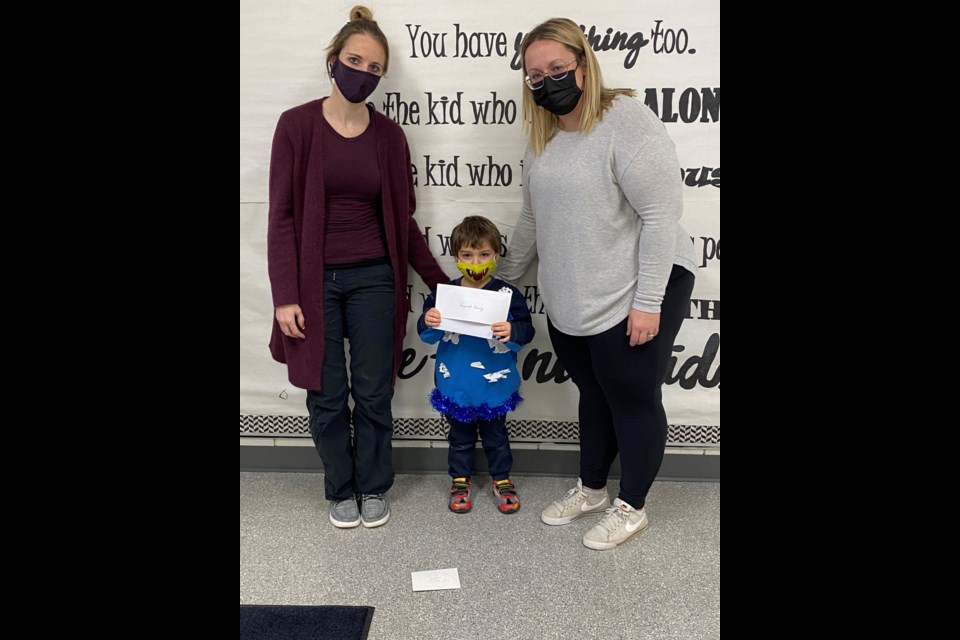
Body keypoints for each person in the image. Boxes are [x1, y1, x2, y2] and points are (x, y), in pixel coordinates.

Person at [497, 18, 698, 550]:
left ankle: (631, 505)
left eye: (557, 69)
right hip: (576, 293)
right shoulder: (541, 139)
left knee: (631, 395)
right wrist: (497, 284)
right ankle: (591, 489)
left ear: (582, 67)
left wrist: (648, 302)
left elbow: (660, 213)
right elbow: (532, 221)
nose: (546, 81)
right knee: (595, 392)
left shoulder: (624, 119)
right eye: (535, 75)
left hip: (640, 284)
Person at [267, 6, 447, 530]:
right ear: (332, 61)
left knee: (373, 392)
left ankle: (373, 486)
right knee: (325, 394)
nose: (362, 73)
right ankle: (339, 488)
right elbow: (280, 217)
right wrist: (284, 296)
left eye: (374, 68)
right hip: (312, 283)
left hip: (375, 279)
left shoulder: (390, 138)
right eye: (354, 60)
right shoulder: (296, 126)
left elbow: (403, 221)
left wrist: (443, 286)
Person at [417, 216, 535, 514]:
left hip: (494, 387)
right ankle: (459, 479)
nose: (476, 261)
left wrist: (513, 331)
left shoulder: (508, 295)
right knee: (459, 439)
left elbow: (526, 332)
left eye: (484, 254)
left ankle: (502, 478)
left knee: (497, 438)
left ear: (497, 254)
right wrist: (429, 318)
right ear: (456, 257)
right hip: (456, 385)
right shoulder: (443, 295)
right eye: (467, 255)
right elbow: (427, 334)